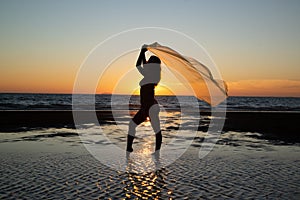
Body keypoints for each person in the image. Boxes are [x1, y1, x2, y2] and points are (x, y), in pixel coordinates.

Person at [126, 45, 162, 152]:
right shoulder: (151, 75)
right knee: (133, 125)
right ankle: (129, 148)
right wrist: (142, 52)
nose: (147, 62)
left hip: (150, 107)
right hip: (148, 106)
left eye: (150, 61)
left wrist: (142, 52)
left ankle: (156, 152)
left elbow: (138, 65)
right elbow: (140, 64)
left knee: (155, 130)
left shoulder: (152, 75)